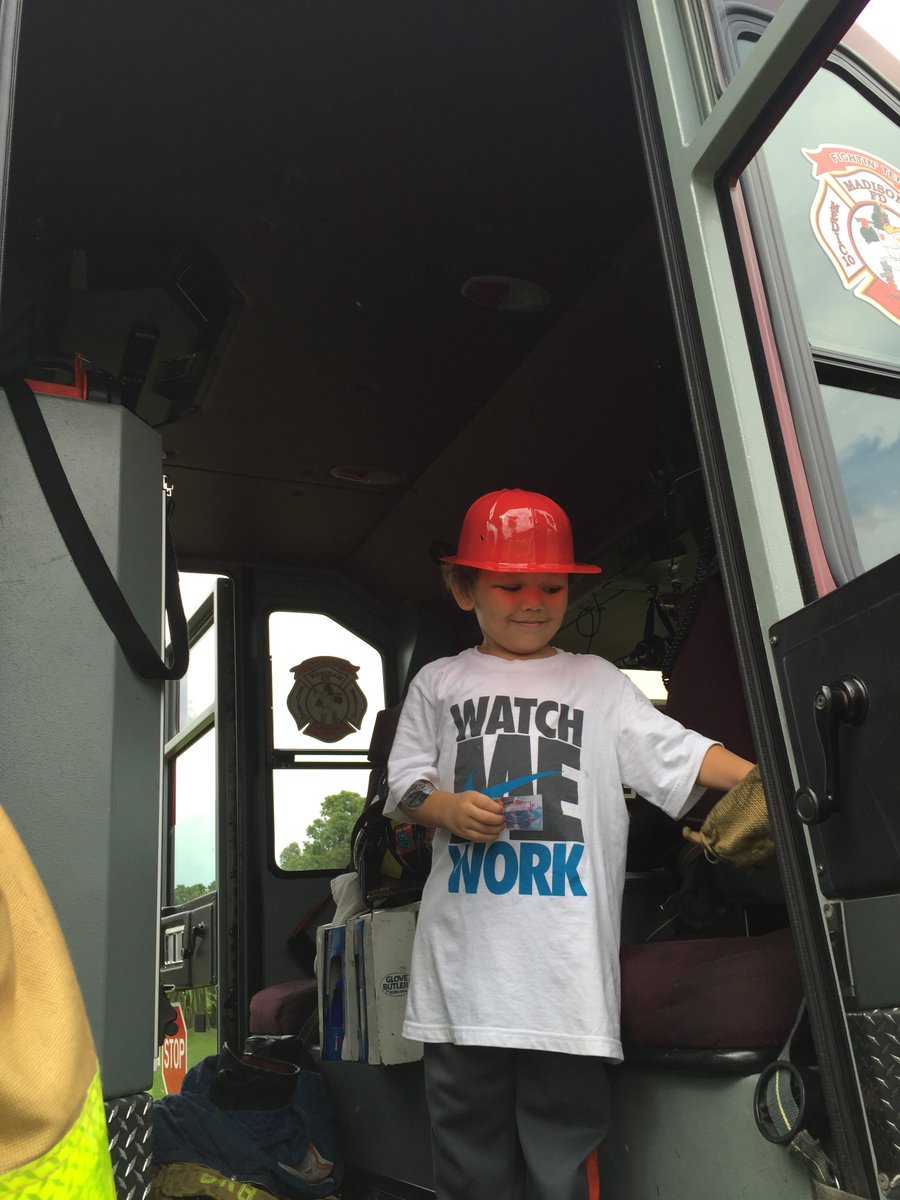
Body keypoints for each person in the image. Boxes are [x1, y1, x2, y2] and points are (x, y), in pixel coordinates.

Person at [384, 488, 755, 1200]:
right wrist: (445, 808)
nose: (532, 600)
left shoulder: (598, 682)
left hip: (567, 981)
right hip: (461, 978)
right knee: (468, 1160)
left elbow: (678, 753)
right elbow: (401, 784)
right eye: (510, 583)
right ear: (465, 589)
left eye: (551, 585)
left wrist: (765, 782)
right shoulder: (441, 681)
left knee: (563, 1160)